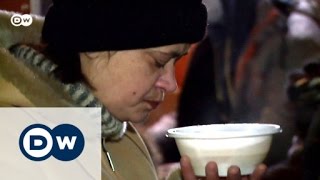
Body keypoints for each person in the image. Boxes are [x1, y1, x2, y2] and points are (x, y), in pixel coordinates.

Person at [0, 0, 266, 179]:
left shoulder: (113, 129)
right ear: (95, 44)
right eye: (158, 62)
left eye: (177, 62)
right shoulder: (20, 137)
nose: (171, 84)